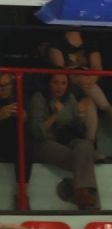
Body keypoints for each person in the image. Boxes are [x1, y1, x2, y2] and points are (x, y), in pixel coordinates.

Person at [27, 72, 100, 211]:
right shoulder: (39, 98)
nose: (59, 87)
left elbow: (79, 130)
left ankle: (81, 195)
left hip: (66, 139)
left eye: (63, 83)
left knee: (85, 146)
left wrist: (81, 114)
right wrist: (55, 114)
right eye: (55, 82)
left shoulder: (69, 98)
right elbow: (36, 132)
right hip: (44, 142)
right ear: (48, 84)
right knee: (82, 158)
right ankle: (87, 200)